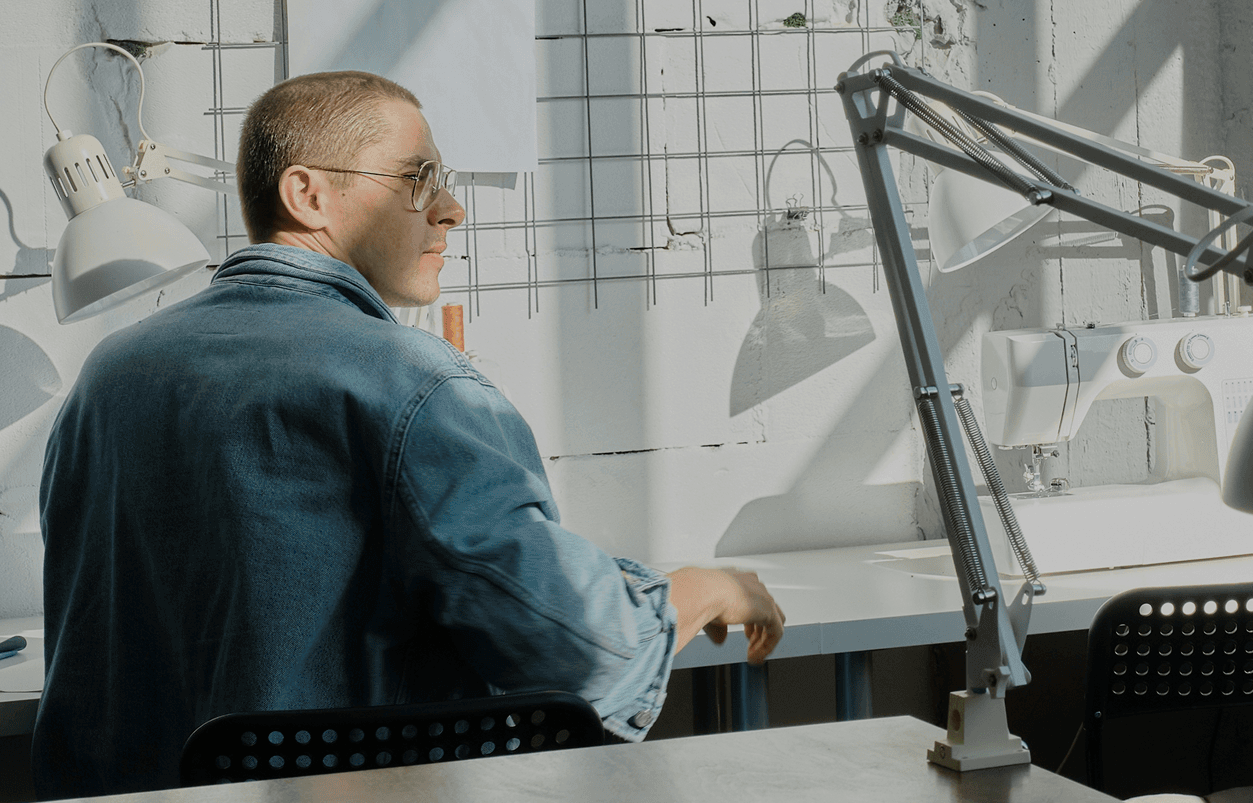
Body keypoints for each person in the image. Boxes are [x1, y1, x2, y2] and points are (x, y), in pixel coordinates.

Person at [34, 71, 785, 797]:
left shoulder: (106, 378)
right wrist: (699, 590)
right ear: (308, 194)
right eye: (418, 180)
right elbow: (586, 653)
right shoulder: (413, 383)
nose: (452, 209)